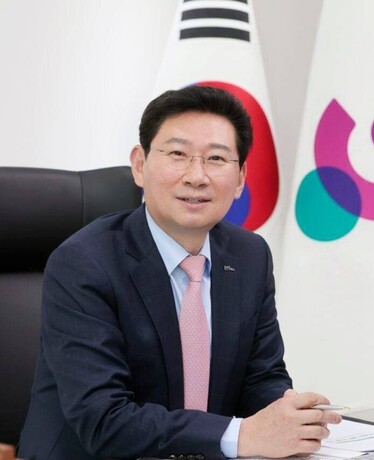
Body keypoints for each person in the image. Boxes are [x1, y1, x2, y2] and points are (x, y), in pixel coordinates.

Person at [18, 86, 341, 460]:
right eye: (177, 154)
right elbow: (104, 420)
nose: (197, 176)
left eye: (216, 158)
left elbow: (261, 377)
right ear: (140, 165)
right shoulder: (84, 262)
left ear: (240, 178)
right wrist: (244, 434)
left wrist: (289, 417)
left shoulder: (250, 255)